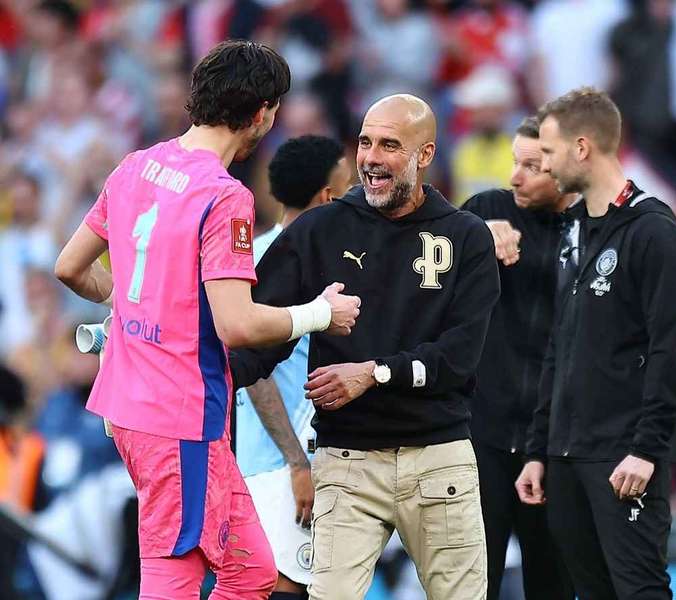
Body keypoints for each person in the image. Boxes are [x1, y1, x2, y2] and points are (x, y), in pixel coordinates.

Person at [53, 40, 360, 600]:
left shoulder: (136, 166)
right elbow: (237, 326)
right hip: (179, 417)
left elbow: (70, 267)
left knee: (237, 571)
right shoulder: (224, 197)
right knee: (189, 574)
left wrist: (133, 303)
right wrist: (320, 313)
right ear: (262, 113)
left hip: (129, 405)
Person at [229, 94, 501, 600]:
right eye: (365, 142)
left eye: (390, 145)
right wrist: (193, 381)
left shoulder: (465, 236)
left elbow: (460, 357)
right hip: (346, 460)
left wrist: (374, 373)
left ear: (425, 155)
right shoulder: (318, 229)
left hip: (438, 456)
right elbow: (256, 342)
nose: (371, 158)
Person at [515, 87, 676, 599]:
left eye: (548, 152)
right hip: (566, 454)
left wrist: (648, 450)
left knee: (638, 590)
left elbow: (671, 349)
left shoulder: (655, 232)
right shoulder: (573, 229)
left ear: (581, 148)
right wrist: (539, 449)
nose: (544, 165)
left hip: (624, 456)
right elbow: (559, 346)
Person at [460, 115, 577, 600]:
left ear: (567, 166)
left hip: (552, 444)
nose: (514, 177)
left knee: (552, 585)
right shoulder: (484, 210)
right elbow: (423, 261)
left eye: (532, 166)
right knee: (469, 584)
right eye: (514, 162)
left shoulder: (593, 230)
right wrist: (473, 236)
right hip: (480, 435)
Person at [235, 134, 353, 600]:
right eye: (347, 188)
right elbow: (255, 369)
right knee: (283, 585)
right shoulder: (281, 262)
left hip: (270, 455)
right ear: (327, 196)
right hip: (281, 462)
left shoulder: (252, 255)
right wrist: (297, 463)